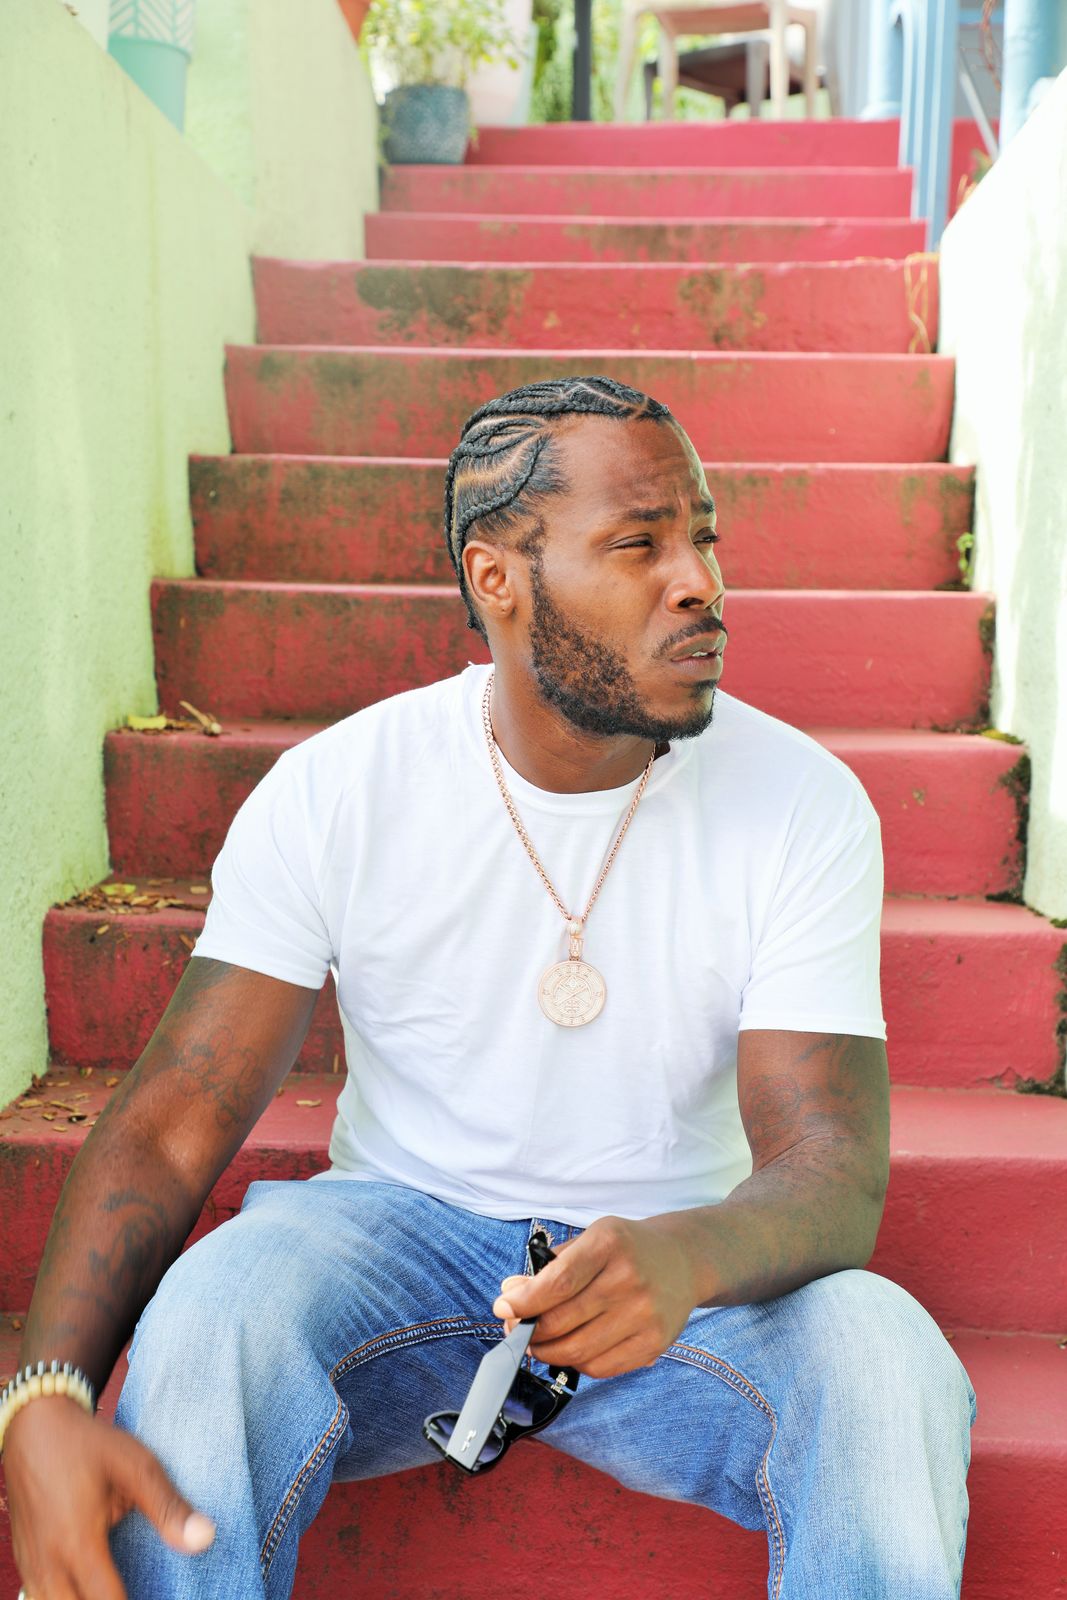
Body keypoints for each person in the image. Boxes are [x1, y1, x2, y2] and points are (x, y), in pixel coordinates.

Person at [2, 375, 976, 1600]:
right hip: (397, 1236)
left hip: (679, 1270)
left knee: (885, 1358)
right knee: (214, 1309)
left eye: (703, 537)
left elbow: (829, 1162)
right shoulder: (341, 788)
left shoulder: (800, 803)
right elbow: (174, 1116)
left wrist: (687, 1255)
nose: (700, 582)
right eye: (638, 545)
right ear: (497, 577)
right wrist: (44, 1396)